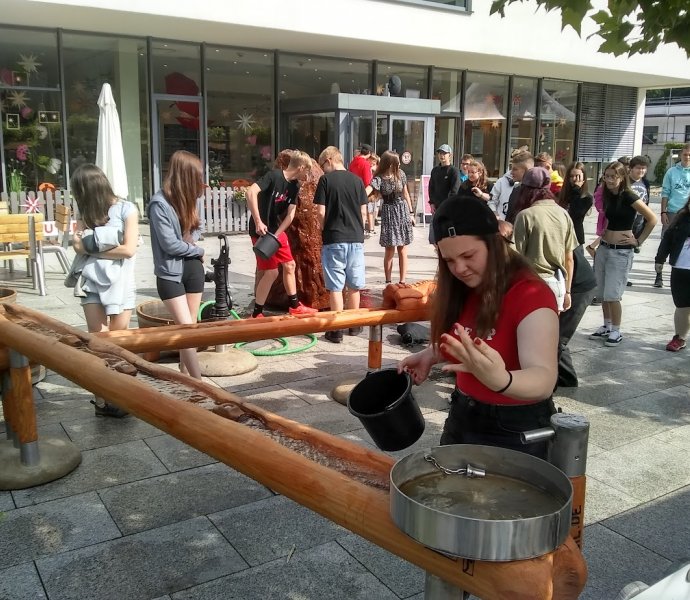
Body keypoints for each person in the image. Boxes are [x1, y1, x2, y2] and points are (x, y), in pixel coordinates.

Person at [398, 196, 559, 459]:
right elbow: (467, 336)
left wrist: (502, 380)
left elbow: (543, 378)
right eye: (449, 260)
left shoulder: (531, 294)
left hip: (516, 428)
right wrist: (431, 354)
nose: (459, 268)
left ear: (494, 242)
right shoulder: (463, 287)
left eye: (468, 255)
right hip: (463, 413)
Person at [71, 164, 138, 417]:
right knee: (98, 341)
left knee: (119, 341)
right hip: (91, 282)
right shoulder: (86, 211)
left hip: (121, 282)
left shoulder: (127, 209)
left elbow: (128, 250)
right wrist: (90, 246)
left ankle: (121, 394)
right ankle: (102, 398)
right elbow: (76, 243)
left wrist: (89, 249)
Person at [148, 150, 206, 379]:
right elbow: (170, 245)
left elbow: (198, 228)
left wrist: (191, 240)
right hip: (170, 274)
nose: (201, 181)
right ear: (186, 176)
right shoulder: (159, 204)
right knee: (185, 329)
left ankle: (185, 379)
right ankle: (200, 384)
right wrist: (197, 249)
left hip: (193, 269)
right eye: (198, 176)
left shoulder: (191, 199)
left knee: (190, 327)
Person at [589, 161, 657, 346]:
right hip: (604, 247)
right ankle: (607, 325)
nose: (610, 180)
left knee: (613, 294)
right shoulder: (607, 195)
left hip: (621, 252)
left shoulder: (628, 195)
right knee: (602, 292)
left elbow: (652, 218)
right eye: (607, 176)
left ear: (622, 177)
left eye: (614, 176)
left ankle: (616, 330)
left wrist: (638, 240)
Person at [246, 149, 318, 318]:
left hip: (275, 230)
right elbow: (250, 192)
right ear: (301, 167)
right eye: (307, 170)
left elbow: (290, 214)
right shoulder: (274, 176)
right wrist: (258, 221)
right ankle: (257, 313)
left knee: (290, 265)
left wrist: (277, 234)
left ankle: (295, 306)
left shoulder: (294, 187)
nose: (308, 175)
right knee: (271, 272)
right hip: (260, 231)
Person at [315, 146, 368, 343]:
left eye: (322, 165)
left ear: (329, 160)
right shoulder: (357, 181)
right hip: (355, 239)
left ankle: (336, 330)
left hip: (334, 238)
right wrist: (358, 230)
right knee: (354, 285)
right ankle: (354, 325)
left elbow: (320, 212)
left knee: (336, 286)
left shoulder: (325, 181)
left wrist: (324, 228)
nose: (322, 169)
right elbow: (363, 212)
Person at [513, 167, 577, 313]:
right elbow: (569, 258)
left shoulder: (526, 215)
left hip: (532, 283)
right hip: (557, 283)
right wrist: (567, 291)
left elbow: (516, 257)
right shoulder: (563, 214)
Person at [556, 162, 597, 386]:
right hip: (565, 245)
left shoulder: (585, 198)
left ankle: (567, 379)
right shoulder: (560, 199)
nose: (575, 180)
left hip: (576, 246)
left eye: (579, 176)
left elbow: (576, 214)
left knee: (558, 338)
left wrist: (568, 292)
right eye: (572, 176)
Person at [365, 150, 415, 284]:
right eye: (397, 162)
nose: (399, 165)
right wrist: (357, 195)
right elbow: (368, 190)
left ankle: (402, 281)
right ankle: (388, 281)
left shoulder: (401, 174)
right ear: (390, 164)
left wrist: (411, 213)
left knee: (402, 247)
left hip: (402, 210)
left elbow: (405, 194)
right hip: (388, 212)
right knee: (389, 249)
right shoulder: (379, 178)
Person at [655, 193, 690, 352]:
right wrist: (660, 259)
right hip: (680, 268)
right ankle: (680, 337)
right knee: (682, 305)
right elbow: (667, 239)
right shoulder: (681, 218)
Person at [653, 144, 690, 288]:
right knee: (666, 242)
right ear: (680, 155)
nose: (687, 157)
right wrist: (663, 212)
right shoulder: (671, 172)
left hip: (688, 214)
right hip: (673, 212)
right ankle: (659, 275)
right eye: (685, 154)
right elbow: (665, 192)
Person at [427, 143, 461, 243]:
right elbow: (431, 187)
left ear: (449, 155)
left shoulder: (454, 171)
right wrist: (431, 203)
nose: (442, 156)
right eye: (440, 153)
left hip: (448, 209)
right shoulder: (435, 170)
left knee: (446, 236)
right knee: (433, 238)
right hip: (436, 207)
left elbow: (454, 190)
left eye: (444, 153)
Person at [348, 144, 376, 235]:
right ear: (369, 153)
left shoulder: (353, 162)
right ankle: (360, 231)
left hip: (351, 191)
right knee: (363, 213)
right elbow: (368, 181)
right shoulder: (366, 164)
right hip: (362, 191)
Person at [504, 151, 535, 224]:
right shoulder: (516, 189)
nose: (511, 172)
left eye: (515, 169)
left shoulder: (536, 193)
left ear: (526, 170)